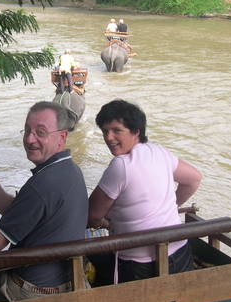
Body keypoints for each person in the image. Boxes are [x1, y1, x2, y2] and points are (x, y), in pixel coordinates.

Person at [0, 102, 89, 302]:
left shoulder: (43, 183)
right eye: (27, 130)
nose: (29, 139)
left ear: (62, 137)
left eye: (40, 132)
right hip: (72, 281)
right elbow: (20, 215)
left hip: (34, 291)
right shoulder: (71, 171)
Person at [87, 99, 202, 285]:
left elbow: (91, 216)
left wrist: (106, 223)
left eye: (117, 130)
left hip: (137, 267)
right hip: (181, 256)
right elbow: (194, 179)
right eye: (105, 131)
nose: (109, 137)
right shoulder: (159, 152)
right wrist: (169, 208)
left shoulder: (121, 165)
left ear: (136, 132)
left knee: (90, 251)